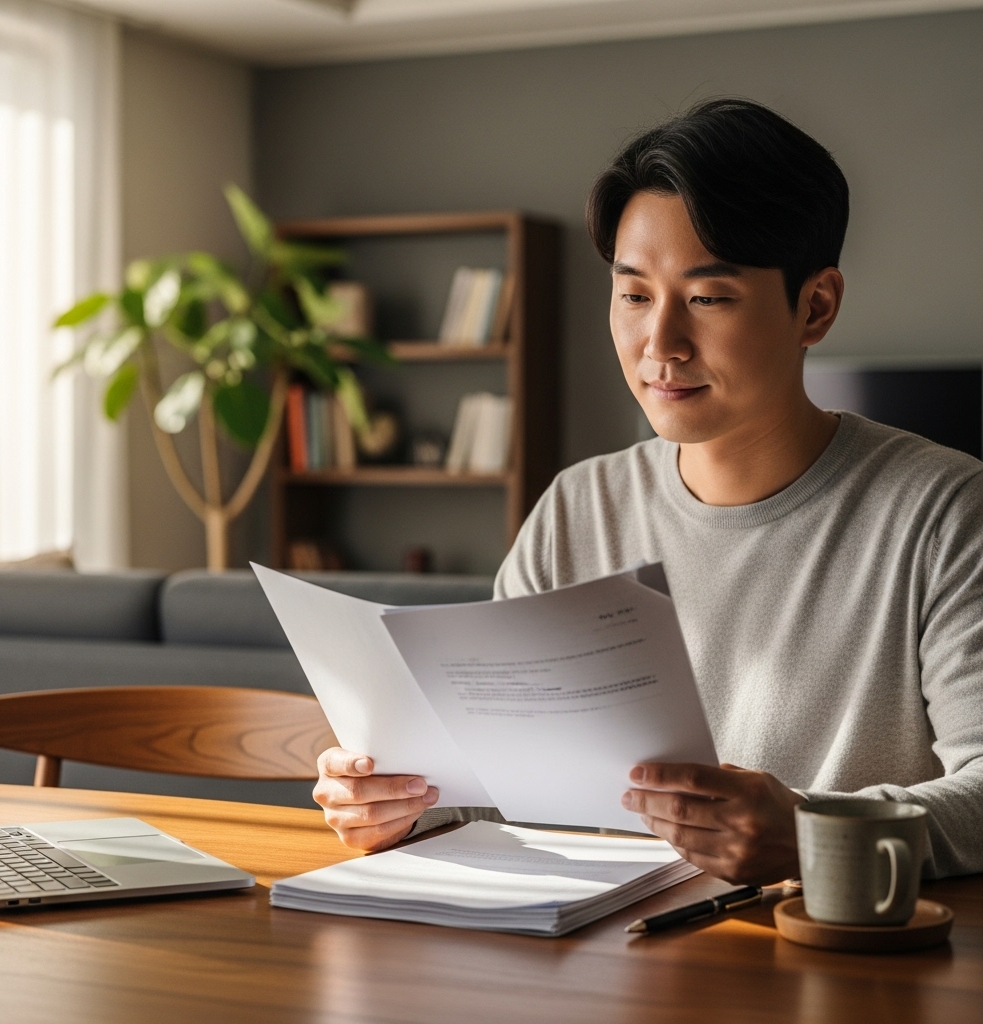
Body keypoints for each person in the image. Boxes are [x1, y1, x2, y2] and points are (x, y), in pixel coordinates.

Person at [313, 98, 983, 884]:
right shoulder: (576, 509)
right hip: (602, 956)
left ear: (816, 306)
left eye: (707, 298)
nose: (659, 344)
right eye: (634, 295)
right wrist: (400, 803)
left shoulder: (944, 512)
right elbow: (496, 782)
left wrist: (812, 835)